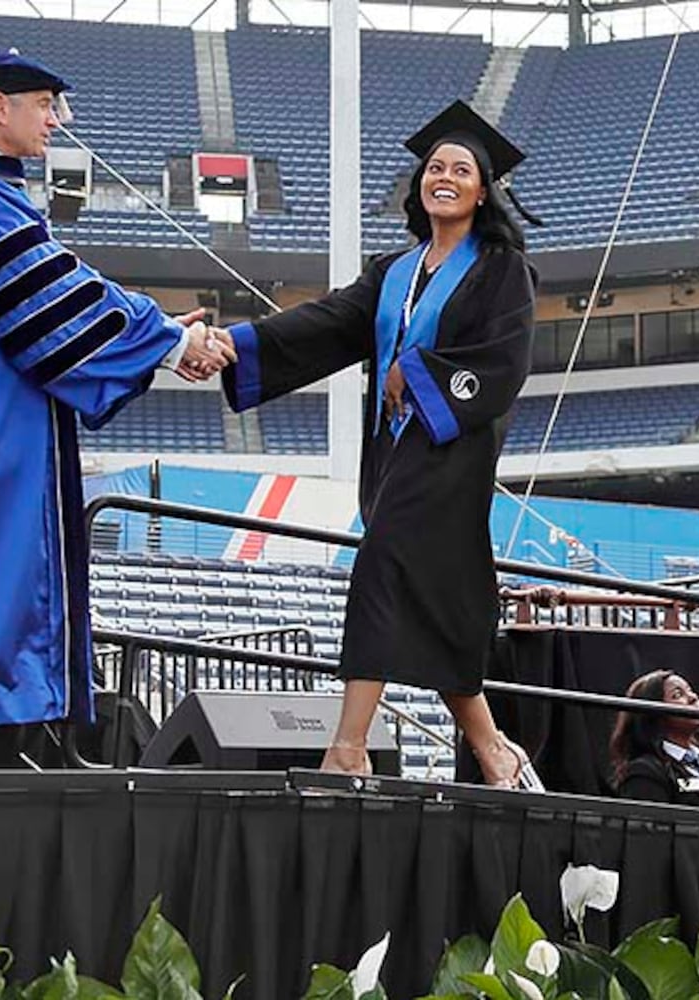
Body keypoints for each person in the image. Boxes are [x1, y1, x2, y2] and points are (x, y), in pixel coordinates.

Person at [0, 50, 235, 768]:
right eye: (43, 105)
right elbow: (53, 301)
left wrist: (165, 338)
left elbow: (58, 291)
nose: (55, 120)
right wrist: (167, 338)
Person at [211, 101, 542, 789]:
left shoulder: (502, 269)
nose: (442, 177)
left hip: (450, 454)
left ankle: (347, 747)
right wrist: (233, 345)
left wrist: (417, 375)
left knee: (381, 568)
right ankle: (492, 748)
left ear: (483, 190)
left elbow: (504, 362)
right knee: (435, 601)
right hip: (394, 454)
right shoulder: (394, 270)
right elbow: (327, 323)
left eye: (460, 169)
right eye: (433, 168)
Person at [610, 670, 699, 811]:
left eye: (690, 690)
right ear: (655, 715)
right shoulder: (646, 772)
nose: (693, 697)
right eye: (678, 695)